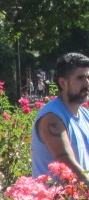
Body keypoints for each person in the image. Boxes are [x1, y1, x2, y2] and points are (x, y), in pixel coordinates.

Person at [31, 52, 89, 184]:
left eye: (88, 77)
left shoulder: (85, 115)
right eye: (80, 78)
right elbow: (67, 163)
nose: (87, 82)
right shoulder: (52, 117)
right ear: (63, 83)